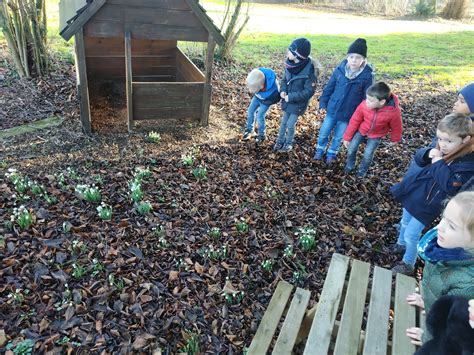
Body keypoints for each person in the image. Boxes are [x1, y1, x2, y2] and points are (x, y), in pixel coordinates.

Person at [390, 113, 474, 275]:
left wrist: (437, 163)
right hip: (415, 194)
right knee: (404, 222)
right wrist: (428, 153)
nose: (442, 145)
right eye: (440, 139)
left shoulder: (468, 163)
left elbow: (450, 185)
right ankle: (400, 245)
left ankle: (408, 263)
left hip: (430, 204)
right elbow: (420, 157)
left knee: (412, 233)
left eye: (448, 141)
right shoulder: (444, 148)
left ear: (465, 140)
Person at [400, 191, 474, 348]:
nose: (439, 227)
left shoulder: (467, 285)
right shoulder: (443, 248)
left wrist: (427, 339)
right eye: (443, 219)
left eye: (451, 226)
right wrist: (427, 300)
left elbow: (452, 328)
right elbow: (435, 283)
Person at [314, 38, 373, 164]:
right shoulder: (340, 70)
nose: (354, 60)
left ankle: (332, 152)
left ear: (363, 59)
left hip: (348, 114)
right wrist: (323, 103)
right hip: (332, 109)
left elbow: (365, 98)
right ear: (347, 57)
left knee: (338, 136)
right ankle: (320, 149)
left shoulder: (367, 76)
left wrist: (362, 116)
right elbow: (329, 87)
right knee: (324, 132)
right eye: (351, 57)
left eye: (358, 57)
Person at [405, 82, 474, 177]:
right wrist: (427, 153)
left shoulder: (465, 134)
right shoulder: (452, 122)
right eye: (457, 99)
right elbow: (430, 149)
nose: (455, 104)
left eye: (462, 101)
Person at [342, 81, 402, 177]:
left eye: (370, 100)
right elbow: (354, 120)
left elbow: (397, 126)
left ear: (382, 102)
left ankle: (362, 171)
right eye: (367, 98)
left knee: (368, 154)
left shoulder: (393, 111)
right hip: (362, 130)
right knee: (351, 149)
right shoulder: (363, 105)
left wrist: (395, 139)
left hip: (376, 134)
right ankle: (350, 165)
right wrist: (347, 137)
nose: (367, 102)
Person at [273, 37, 320, 153]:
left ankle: (288, 143)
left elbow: (309, 92)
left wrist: (291, 97)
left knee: (290, 124)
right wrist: (283, 90)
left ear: (297, 55)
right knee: (283, 122)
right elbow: (284, 80)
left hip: (298, 103)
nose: (287, 52)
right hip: (287, 100)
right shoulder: (290, 65)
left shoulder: (309, 72)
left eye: (290, 50)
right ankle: (279, 140)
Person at [242, 68, 281, 144]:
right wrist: (254, 90)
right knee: (250, 111)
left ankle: (261, 135)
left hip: (267, 100)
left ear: (262, 86)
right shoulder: (256, 77)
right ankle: (250, 130)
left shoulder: (274, 89)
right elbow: (252, 86)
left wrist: (265, 101)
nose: (250, 90)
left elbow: (276, 99)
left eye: (252, 88)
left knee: (259, 115)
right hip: (257, 97)